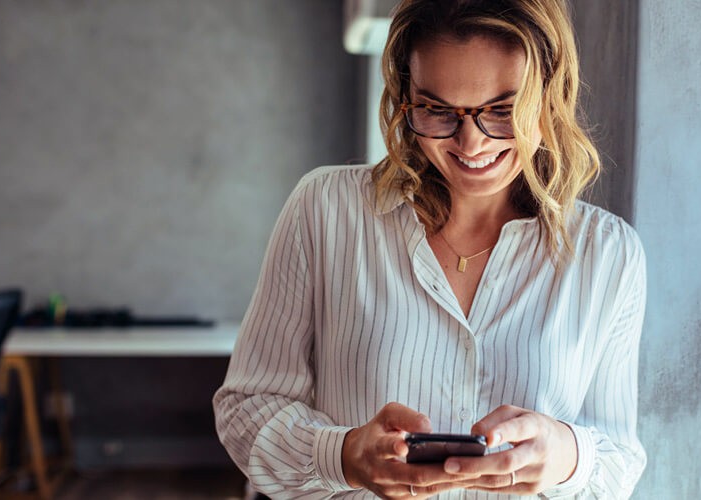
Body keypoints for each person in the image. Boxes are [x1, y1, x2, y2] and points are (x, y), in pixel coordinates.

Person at [213, 0, 646, 498]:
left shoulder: (609, 254)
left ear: (550, 98)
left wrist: (568, 455)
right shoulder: (325, 208)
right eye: (436, 109)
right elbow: (246, 408)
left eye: (503, 111)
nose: (470, 143)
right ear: (404, 97)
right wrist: (344, 454)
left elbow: (619, 461)